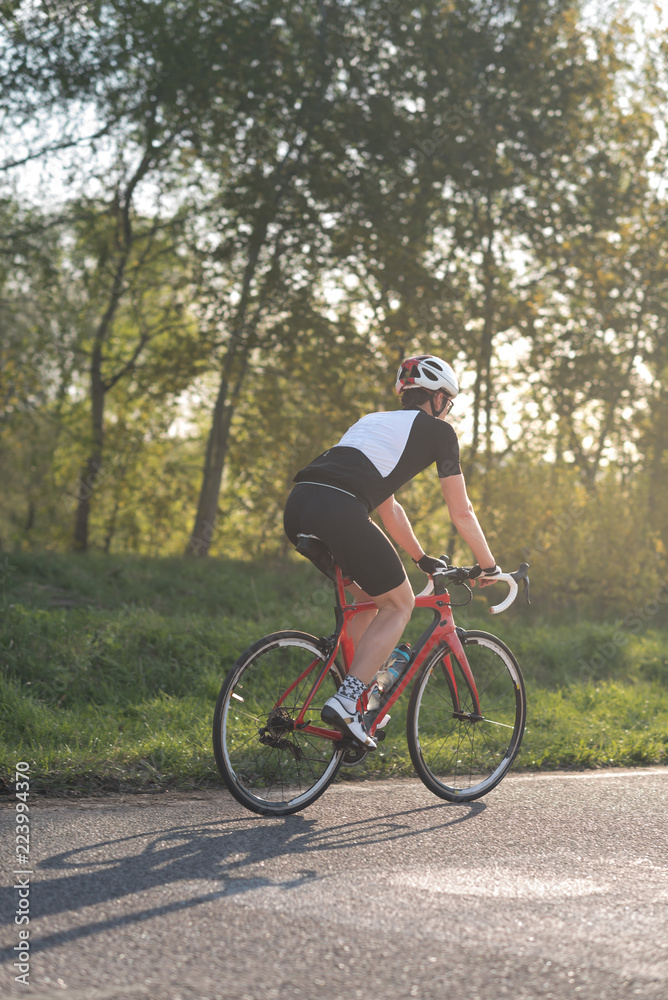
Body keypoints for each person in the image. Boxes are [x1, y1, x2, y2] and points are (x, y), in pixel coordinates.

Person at [283, 354, 500, 750]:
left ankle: (355, 705)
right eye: (449, 402)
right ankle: (348, 700)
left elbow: (389, 508)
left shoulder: (370, 422)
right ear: (436, 399)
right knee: (399, 604)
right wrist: (489, 565)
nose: (448, 411)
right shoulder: (438, 431)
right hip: (341, 509)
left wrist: (419, 558)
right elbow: (462, 512)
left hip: (300, 505)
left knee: (368, 601)